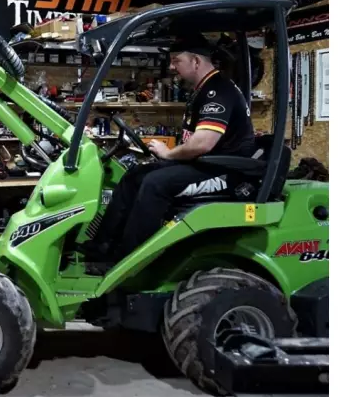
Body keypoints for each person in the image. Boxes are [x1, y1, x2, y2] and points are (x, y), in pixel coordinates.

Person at [81, 33, 256, 274]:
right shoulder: (203, 89)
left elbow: (202, 144)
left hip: (226, 172)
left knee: (154, 184)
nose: (172, 67)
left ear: (196, 61)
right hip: (205, 164)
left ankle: (128, 263)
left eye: (176, 61)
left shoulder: (218, 90)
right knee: (136, 175)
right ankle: (101, 248)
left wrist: (169, 154)